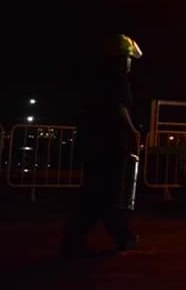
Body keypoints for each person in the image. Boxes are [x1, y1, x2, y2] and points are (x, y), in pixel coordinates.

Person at [61, 34, 143, 257]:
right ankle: (120, 236)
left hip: (94, 141)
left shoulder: (96, 78)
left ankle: (83, 238)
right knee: (106, 192)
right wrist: (132, 131)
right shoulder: (117, 79)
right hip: (110, 142)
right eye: (128, 58)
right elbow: (119, 108)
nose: (129, 63)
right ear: (121, 58)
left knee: (96, 193)